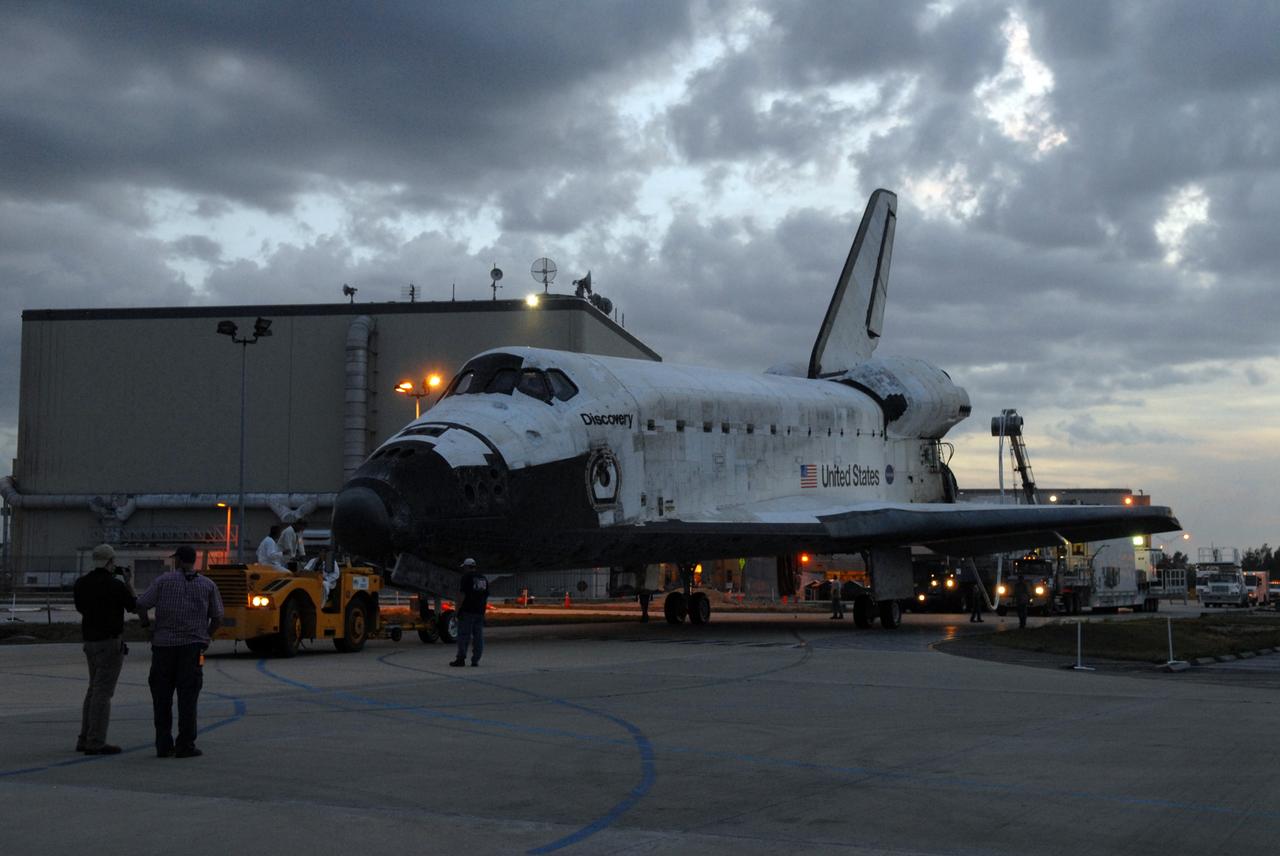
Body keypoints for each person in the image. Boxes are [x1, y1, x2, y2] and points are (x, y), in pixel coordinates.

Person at [135, 545, 224, 758]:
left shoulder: (163, 581)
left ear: (177, 560)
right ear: (193, 560)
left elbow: (141, 604)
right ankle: (185, 744)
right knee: (188, 698)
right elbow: (218, 616)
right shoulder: (208, 584)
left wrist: (147, 627)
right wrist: (206, 636)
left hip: (163, 648)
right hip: (192, 649)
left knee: (162, 698)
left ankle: (163, 744)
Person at [73, 544, 139, 755]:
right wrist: (128, 583)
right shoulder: (115, 586)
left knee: (93, 690)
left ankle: (84, 737)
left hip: (90, 642)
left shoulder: (81, 584)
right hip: (109, 643)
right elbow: (134, 606)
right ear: (110, 562)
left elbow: (80, 608)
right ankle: (95, 741)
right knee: (103, 692)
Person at [450, 558, 489, 667]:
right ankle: (475, 660)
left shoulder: (466, 577)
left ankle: (461, 659)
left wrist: (456, 611)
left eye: (464, 567)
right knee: (478, 636)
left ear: (467, 567)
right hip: (480, 612)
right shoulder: (483, 578)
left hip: (467, 611)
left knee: (463, 635)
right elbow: (485, 596)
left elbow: (462, 595)